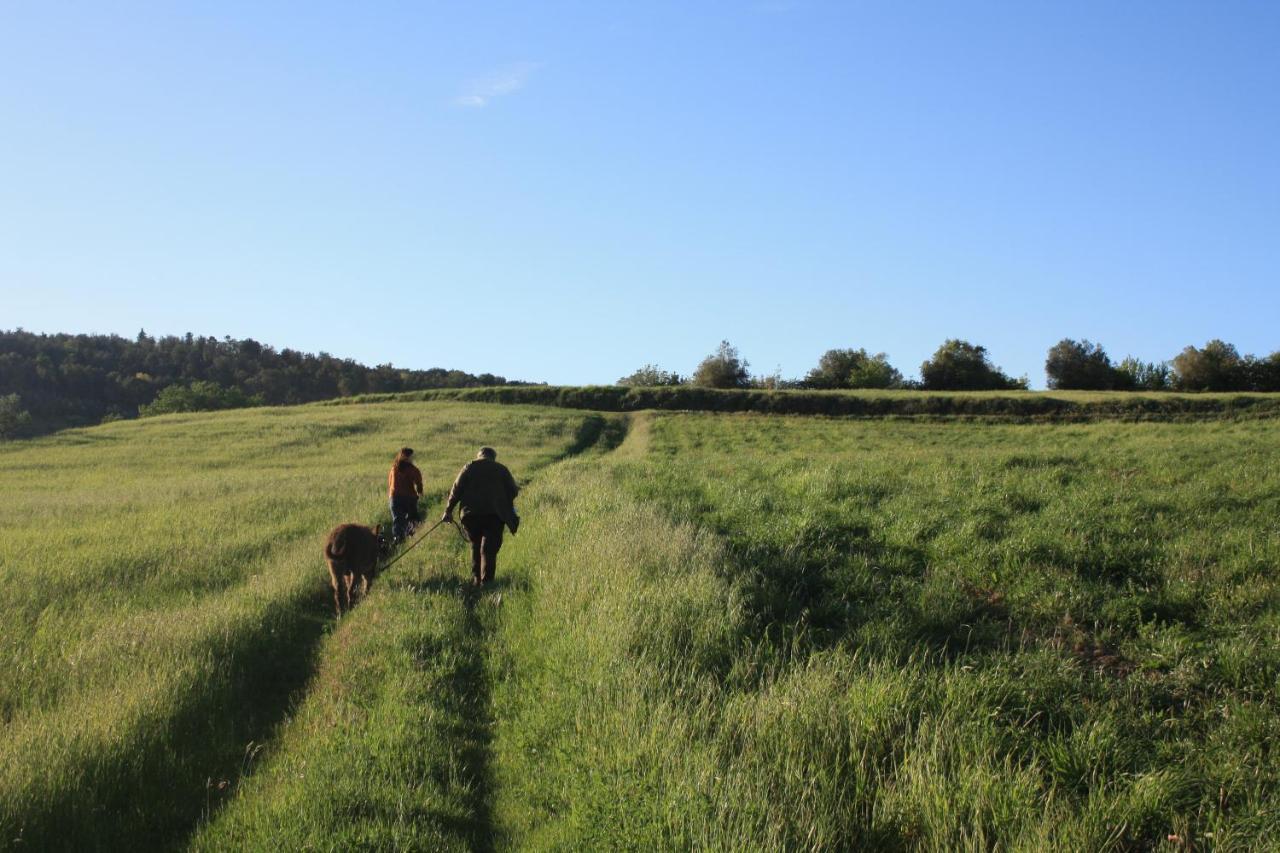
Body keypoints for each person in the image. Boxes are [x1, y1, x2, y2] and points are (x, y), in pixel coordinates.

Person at [442, 446, 519, 586]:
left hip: (471, 515)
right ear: (493, 457)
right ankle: (487, 582)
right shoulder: (501, 469)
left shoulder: (469, 467)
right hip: (494, 515)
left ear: (479, 456)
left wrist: (448, 511)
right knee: (488, 549)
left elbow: (456, 489)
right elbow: (513, 491)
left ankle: (476, 579)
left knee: (476, 545)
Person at [388, 447, 423, 544]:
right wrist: (419, 491)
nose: (413, 458)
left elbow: (390, 483)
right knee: (414, 519)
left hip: (394, 499)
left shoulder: (393, 468)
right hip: (408, 499)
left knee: (398, 521)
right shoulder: (411, 469)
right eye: (412, 456)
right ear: (407, 457)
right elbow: (418, 482)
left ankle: (397, 540)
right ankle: (412, 539)